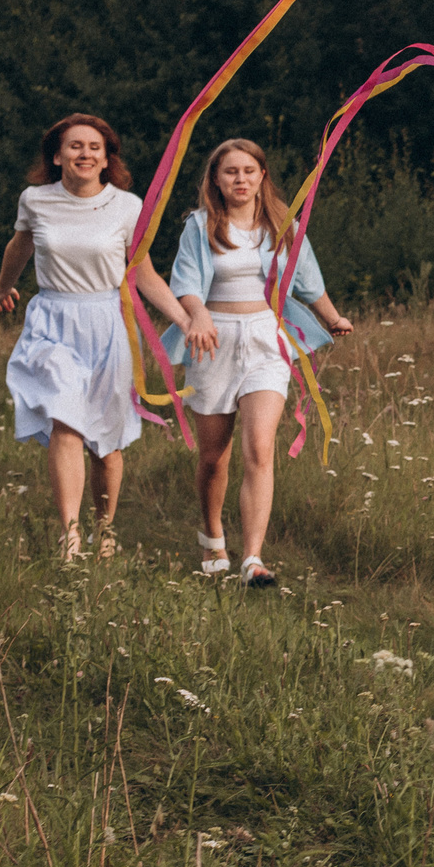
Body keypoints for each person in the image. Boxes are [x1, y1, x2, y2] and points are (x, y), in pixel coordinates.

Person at [0, 113, 197, 560]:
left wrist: (184, 320)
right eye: (75, 146)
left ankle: (104, 530)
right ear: (57, 156)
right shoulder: (36, 200)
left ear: (106, 159)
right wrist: (4, 287)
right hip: (52, 321)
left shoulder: (127, 206)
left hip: (108, 323)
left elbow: (142, 272)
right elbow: (20, 246)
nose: (84, 153)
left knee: (106, 444)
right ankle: (70, 536)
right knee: (65, 421)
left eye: (94, 148)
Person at [164, 139, 353, 588]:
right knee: (214, 457)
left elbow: (308, 280)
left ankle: (253, 559)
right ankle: (213, 534)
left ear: (262, 176)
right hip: (213, 342)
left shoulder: (283, 226)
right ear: (216, 179)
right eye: (231, 172)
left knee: (259, 449)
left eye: (249, 171)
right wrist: (198, 315)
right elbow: (184, 283)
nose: (240, 179)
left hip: (267, 340)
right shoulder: (199, 226)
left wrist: (332, 317)